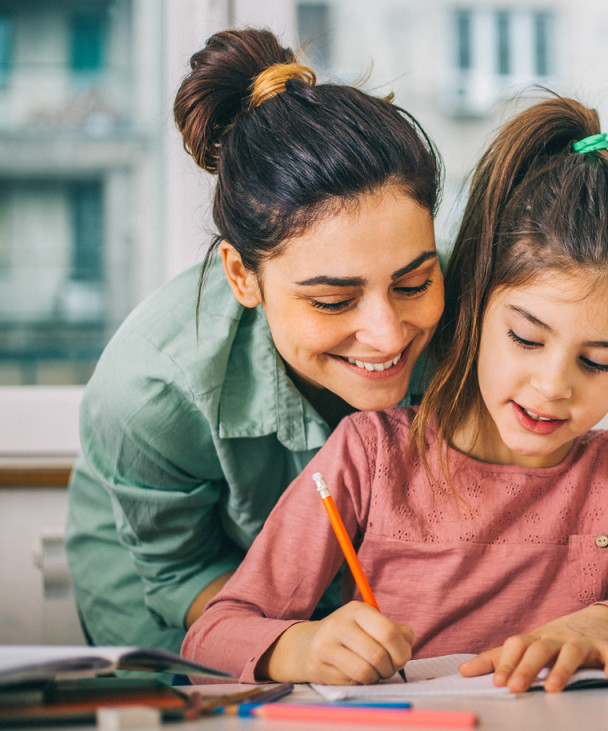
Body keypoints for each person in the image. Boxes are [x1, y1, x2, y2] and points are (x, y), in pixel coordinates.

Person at [181, 95, 608, 692]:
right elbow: (214, 633)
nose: (553, 387)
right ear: (473, 309)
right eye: (526, 339)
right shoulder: (370, 456)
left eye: (598, 361)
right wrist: (302, 646)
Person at [65, 27, 444, 656]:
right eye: (332, 300)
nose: (386, 334)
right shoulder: (149, 391)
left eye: (413, 282)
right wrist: (293, 644)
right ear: (244, 276)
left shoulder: (480, 316)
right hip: (179, 588)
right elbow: (179, 572)